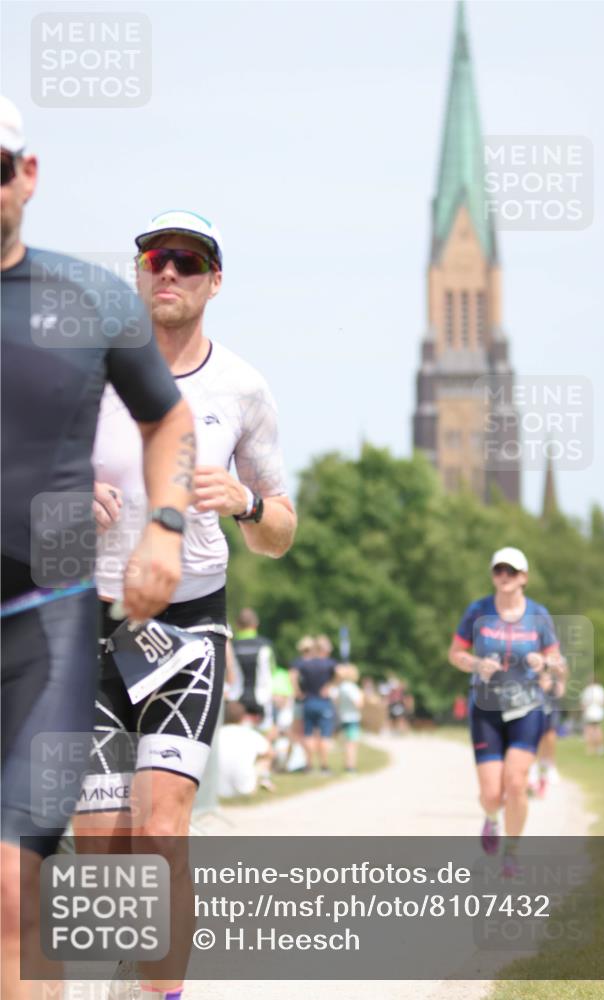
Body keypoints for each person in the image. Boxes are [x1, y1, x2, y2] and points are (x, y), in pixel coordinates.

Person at [72, 209, 296, 1000]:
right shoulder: (87, 373)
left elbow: (281, 529)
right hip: (92, 626)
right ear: (139, 274)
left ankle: (160, 992)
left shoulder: (242, 387)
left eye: (188, 261)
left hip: (191, 628)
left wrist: (244, 501)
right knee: (100, 848)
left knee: (162, 833)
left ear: (214, 281)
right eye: (155, 259)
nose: (169, 272)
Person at [0, 98, 195, 1000]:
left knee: (13, 888)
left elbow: (168, 416)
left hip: (41, 630)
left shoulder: (89, 300)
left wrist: (164, 524)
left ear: (26, 176)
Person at [448, 546, 566, 877]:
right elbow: (455, 653)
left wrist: (545, 662)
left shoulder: (538, 615)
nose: (503, 577)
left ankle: (512, 851)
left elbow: (561, 665)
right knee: (491, 794)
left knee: (515, 783)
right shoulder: (478, 610)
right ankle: (490, 819)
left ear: (524, 578)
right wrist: (475, 664)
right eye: (498, 571)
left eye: (511, 571)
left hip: (526, 707)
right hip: (486, 707)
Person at [290, 634, 338, 774]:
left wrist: (297, 691)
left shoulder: (305, 663)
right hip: (323, 702)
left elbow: (292, 675)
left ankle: (309, 766)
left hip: (308, 702)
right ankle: (324, 766)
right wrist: (330, 685)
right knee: (324, 735)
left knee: (308, 734)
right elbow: (342, 673)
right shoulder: (329, 663)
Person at [217, 701, 275, 797]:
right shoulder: (250, 733)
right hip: (245, 790)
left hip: (217, 790)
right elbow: (270, 753)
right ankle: (264, 780)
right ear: (243, 717)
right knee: (264, 760)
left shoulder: (216, 735)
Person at [231, 607, 276, 729]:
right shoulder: (266, 645)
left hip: (236, 699)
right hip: (262, 698)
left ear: (237, 625)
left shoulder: (231, 646)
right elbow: (272, 670)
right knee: (262, 738)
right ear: (256, 624)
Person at [334, 664, 364, 773]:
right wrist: (361, 696)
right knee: (352, 743)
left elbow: (336, 701)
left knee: (347, 743)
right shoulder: (351, 687)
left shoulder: (341, 687)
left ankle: (348, 764)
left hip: (343, 716)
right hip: (352, 718)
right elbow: (359, 704)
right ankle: (350, 766)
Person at [580, 676, 604, 755]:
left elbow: (583, 703)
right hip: (599, 713)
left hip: (589, 713)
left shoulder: (587, 690)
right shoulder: (600, 689)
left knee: (589, 730)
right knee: (598, 730)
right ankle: (600, 748)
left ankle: (589, 749)